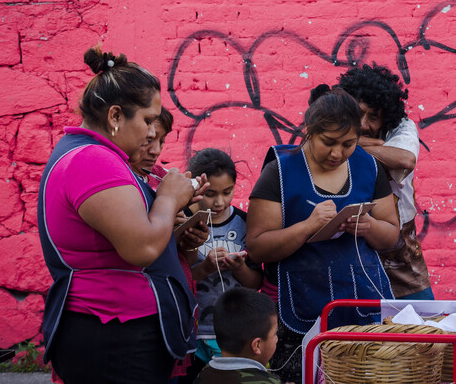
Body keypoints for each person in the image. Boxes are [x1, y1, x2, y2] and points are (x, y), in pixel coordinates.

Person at [37, 46, 207, 384]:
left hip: (115, 331)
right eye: (146, 120)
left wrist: (174, 232)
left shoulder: (91, 156)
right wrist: (170, 197)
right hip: (114, 335)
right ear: (115, 116)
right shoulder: (94, 161)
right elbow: (140, 249)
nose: (149, 134)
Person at [246, 86, 399, 383]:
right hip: (297, 312)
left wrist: (369, 226)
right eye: (328, 142)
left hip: (361, 304)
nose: (337, 153)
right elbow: (257, 247)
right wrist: (307, 226)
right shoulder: (280, 170)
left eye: (348, 144)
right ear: (309, 131)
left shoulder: (368, 166)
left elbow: (391, 234)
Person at [127, 106, 209, 383]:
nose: (155, 150)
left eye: (161, 141)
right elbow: (138, 246)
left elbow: (185, 253)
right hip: (140, 307)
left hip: (174, 297)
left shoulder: (162, 178)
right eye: (149, 139)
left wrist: (189, 238)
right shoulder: (119, 183)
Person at [338, 64, 434, 300]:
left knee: (421, 316)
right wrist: (372, 145)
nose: (362, 124)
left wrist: (353, 144)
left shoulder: (402, 127)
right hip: (353, 236)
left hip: (400, 245)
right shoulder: (336, 127)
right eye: (358, 113)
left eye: (373, 117)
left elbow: (405, 159)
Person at [179, 148, 263, 383]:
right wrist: (205, 267)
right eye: (210, 194)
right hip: (190, 334)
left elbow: (256, 282)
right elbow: (176, 281)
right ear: (196, 187)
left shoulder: (245, 222)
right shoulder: (180, 220)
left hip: (232, 334)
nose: (220, 202)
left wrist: (239, 268)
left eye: (227, 192)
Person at [194, 287, 283, 384]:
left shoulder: (204, 374)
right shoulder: (270, 382)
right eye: (275, 334)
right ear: (257, 345)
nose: (276, 339)